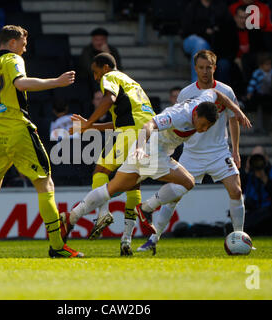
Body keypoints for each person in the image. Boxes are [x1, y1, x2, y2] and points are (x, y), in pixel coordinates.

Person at [60, 89, 251, 254]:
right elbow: (148, 125)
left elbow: (217, 93)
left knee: (110, 190)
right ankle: (145, 208)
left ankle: (72, 216)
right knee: (188, 181)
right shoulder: (181, 115)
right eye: (202, 124)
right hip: (151, 152)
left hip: (149, 151)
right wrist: (142, 148)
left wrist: (237, 111)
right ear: (195, 115)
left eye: (208, 127)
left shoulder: (205, 101)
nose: (203, 129)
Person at [0, 25, 83, 258]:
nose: (25, 47)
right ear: (12, 43)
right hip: (18, 131)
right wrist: (57, 82)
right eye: (23, 42)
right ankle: (57, 246)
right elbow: (20, 84)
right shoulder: (12, 59)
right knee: (45, 186)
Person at [138, 50, 247, 253]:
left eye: (209, 67)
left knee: (236, 190)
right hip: (192, 153)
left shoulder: (226, 91)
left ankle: (238, 237)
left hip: (219, 151)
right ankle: (153, 238)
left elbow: (233, 120)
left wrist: (236, 150)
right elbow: (179, 124)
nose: (205, 72)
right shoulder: (186, 94)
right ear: (195, 68)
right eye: (201, 68)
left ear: (215, 68)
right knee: (174, 197)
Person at [67, 52, 155, 255]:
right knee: (133, 184)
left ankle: (102, 213)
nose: (96, 78)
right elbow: (119, 121)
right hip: (151, 134)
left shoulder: (110, 77)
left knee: (100, 170)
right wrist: (90, 128)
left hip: (133, 132)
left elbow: (109, 98)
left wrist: (88, 122)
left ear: (105, 67)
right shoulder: (131, 82)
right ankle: (126, 240)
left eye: (96, 73)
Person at [240, 146, 272, 235]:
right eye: (254, 157)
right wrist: (247, 170)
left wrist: (264, 179)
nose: (257, 161)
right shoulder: (249, 177)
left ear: (266, 158)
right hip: (254, 214)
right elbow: (238, 190)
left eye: (260, 157)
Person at [181, 0, 232, 82]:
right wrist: (204, 30)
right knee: (200, 44)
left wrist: (216, 29)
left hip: (216, 42)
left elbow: (228, 26)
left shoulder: (221, 6)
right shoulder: (192, 6)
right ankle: (198, 84)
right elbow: (186, 28)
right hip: (193, 40)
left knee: (223, 64)